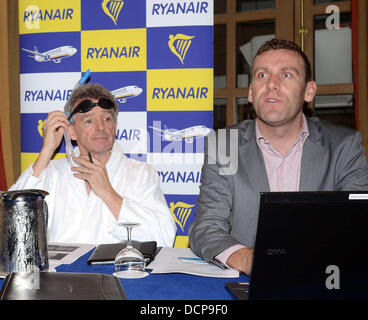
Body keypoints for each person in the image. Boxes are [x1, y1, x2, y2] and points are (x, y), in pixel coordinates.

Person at [189, 39, 368, 275]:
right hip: (249, 285)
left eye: (286, 75)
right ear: (251, 92)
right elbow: (206, 227)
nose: (272, 84)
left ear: (309, 91)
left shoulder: (344, 146)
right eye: (262, 75)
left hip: (324, 279)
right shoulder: (224, 145)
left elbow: (358, 226)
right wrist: (250, 260)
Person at [10, 83, 177, 247]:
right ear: (72, 132)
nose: (101, 127)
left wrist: (108, 193)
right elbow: (13, 226)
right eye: (89, 120)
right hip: (58, 274)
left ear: (115, 126)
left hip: (116, 273)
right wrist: (46, 152)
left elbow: (164, 237)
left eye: (107, 118)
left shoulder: (141, 174)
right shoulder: (52, 172)